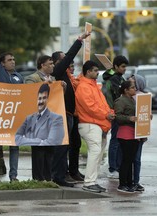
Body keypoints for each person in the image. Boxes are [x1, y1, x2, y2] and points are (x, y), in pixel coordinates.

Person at [0, 17, 24, 182]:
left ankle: (13, 176)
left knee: (14, 146)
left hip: (14, 117)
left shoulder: (18, 77)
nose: (13, 62)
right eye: (9, 60)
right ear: (1, 64)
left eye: (14, 59)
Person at [50, 31, 90, 187]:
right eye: (63, 58)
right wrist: (79, 40)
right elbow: (69, 57)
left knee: (70, 145)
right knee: (61, 147)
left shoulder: (67, 75)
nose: (67, 59)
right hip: (63, 114)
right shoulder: (58, 72)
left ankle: (66, 174)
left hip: (71, 114)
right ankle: (58, 177)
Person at [20, 56, 62, 181]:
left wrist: (61, 87)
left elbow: (57, 98)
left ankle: (48, 178)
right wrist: (45, 85)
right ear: (42, 65)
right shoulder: (31, 78)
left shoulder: (54, 79)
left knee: (49, 150)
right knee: (38, 150)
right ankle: (38, 178)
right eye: (50, 64)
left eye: (53, 63)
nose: (53, 66)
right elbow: (29, 93)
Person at [75, 60, 115, 193]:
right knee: (95, 151)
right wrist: (107, 114)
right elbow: (90, 107)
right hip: (89, 124)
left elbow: (101, 105)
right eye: (95, 70)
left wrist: (109, 113)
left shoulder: (92, 86)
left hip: (97, 124)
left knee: (98, 152)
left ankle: (92, 181)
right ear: (88, 72)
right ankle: (89, 182)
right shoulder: (84, 87)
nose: (98, 73)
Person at [102, 55, 129, 179]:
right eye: (123, 67)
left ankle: (116, 167)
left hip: (118, 112)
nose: (125, 69)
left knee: (118, 141)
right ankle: (113, 168)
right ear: (116, 66)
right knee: (115, 141)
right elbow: (118, 97)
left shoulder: (117, 78)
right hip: (116, 113)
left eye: (125, 67)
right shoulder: (114, 80)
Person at [114, 80, 139, 193]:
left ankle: (129, 183)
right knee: (126, 159)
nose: (135, 89)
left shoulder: (133, 100)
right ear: (126, 90)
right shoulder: (120, 101)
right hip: (125, 134)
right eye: (133, 87)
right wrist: (129, 118)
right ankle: (122, 183)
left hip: (134, 133)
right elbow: (117, 116)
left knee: (131, 159)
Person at [128, 74, 148, 192]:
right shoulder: (127, 96)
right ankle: (130, 181)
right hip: (129, 132)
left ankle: (136, 181)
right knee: (130, 158)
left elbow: (145, 115)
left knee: (136, 158)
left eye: (133, 82)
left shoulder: (142, 97)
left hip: (139, 133)